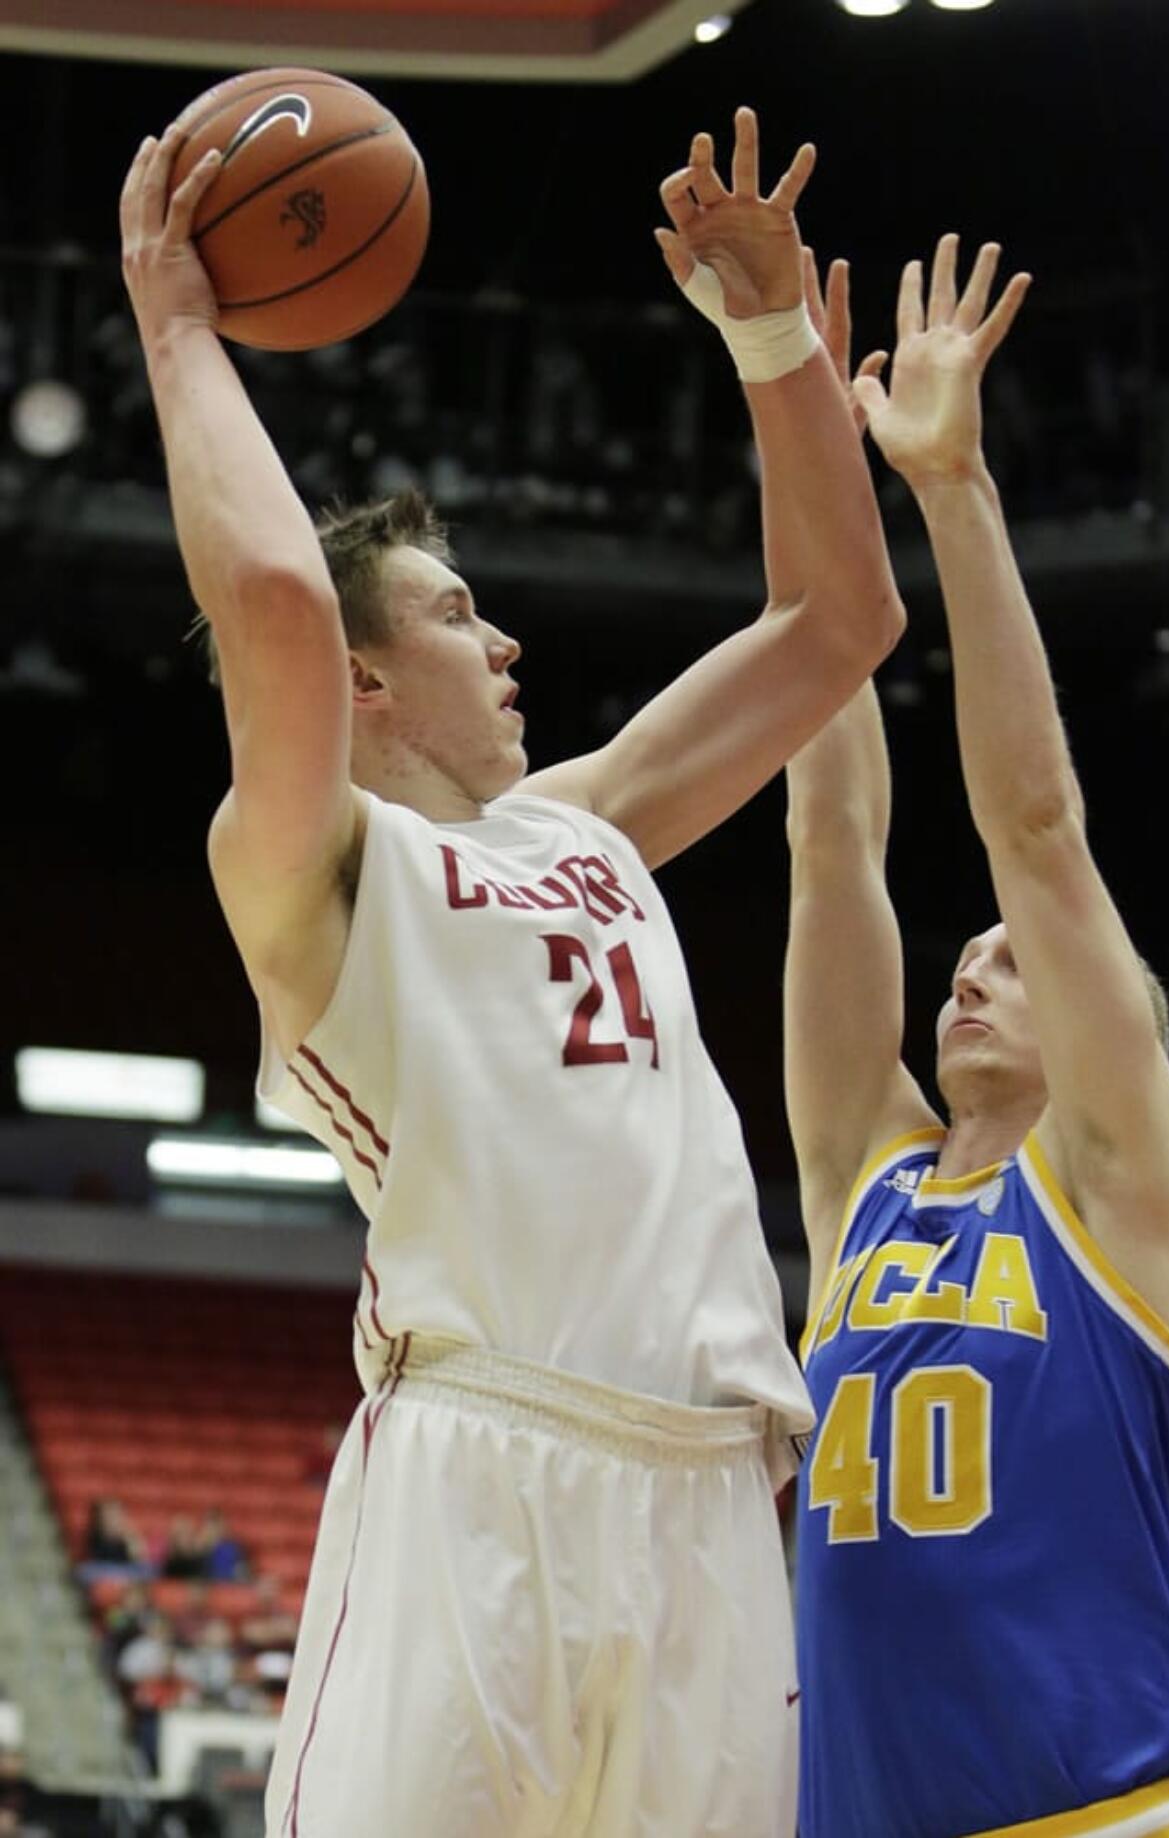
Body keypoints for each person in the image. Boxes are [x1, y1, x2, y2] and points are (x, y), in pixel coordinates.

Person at [119, 105, 904, 1835]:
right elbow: (266, 592)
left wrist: (769, 337)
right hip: (482, 1472)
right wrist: (175, 320)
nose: (508, 636)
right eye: (462, 613)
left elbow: (838, 622)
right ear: (368, 682)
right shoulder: (313, 873)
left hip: (710, 1495)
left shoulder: (590, 827)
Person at [784, 235, 1169, 1838]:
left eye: (1012, 967)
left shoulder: (1113, 1185)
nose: (971, 971)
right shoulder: (862, 1186)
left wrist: (951, 488)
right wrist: (806, 447)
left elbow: (1033, 829)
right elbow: (830, 835)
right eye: (961, 958)